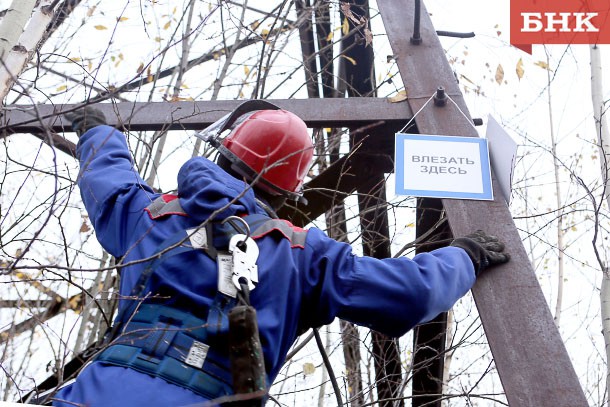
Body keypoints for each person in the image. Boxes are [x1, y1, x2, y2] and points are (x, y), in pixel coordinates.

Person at [51, 101, 509, 406]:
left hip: (100, 392)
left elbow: (108, 183)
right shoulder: (301, 253)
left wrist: (99, 134)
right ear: (287, 189)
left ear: (225, 149)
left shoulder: (150, 214)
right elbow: (411, 292)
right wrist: (464, 256)